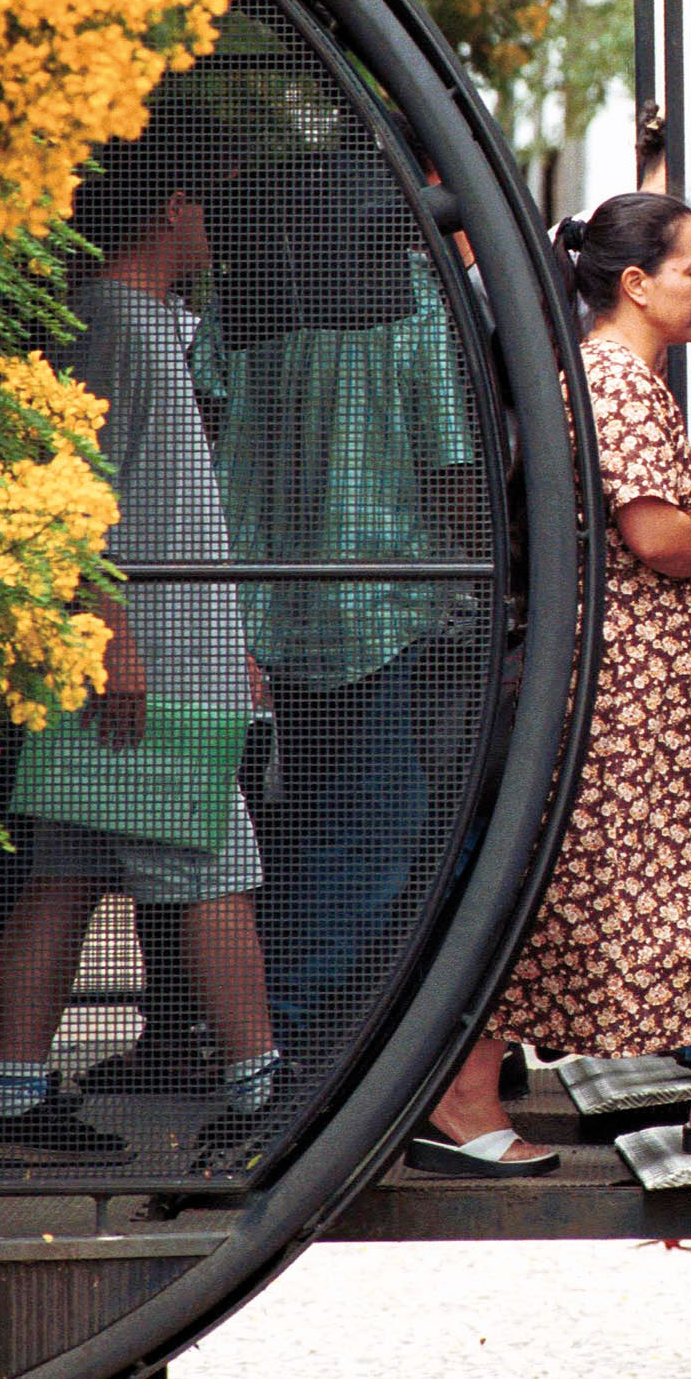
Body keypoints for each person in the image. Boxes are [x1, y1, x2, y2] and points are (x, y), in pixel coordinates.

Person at [412, 191, 691, 1173]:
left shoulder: (600, 372)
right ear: (637, 284)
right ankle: (466, 1092)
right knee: (669, 874)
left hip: (638, 680)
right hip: (640, 690)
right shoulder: (618, 380)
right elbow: (654, 535)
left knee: (682, 874)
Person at [0, 113, 280, 1161]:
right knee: (214, 864)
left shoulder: (124, 320)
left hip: (147, 655)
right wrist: (115, 641)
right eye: (211, 198)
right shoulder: (120, 325)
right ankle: (260, 1091)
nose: (221, 222)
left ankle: (11, 1098)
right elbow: (78, 496)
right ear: (172, 207)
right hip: (146, 666)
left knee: (63, 869)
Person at [197, 134, 482, 1059]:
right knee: (376, 835)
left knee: (286, 830)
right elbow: (451, 465)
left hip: (262, 613)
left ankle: (251, 1024)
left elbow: (207, 426)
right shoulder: (415, 298)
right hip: (385, 610)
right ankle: (310, 1034)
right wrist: (497, 559)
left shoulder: (243, 294)